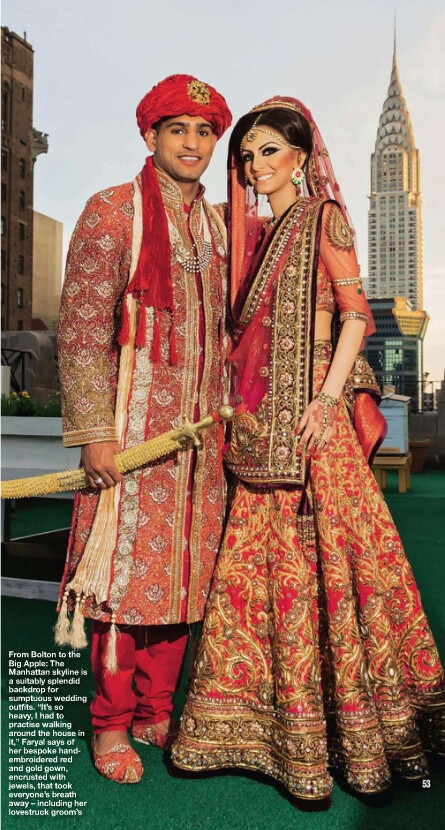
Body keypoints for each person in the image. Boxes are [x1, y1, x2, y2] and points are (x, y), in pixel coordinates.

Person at [172, 97, 445, 802]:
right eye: (247, 155)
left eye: (268, 150)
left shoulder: (321, 218)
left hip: (310, 431)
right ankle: (258, 731)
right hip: (258, 433)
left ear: (300, 154)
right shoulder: (256, 238)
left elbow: (355, 315)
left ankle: (362, 737)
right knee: (260, 580)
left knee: (340, 570)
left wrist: (326, 401)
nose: (255, 166)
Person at [56, 74, 232, 784]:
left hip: (202, 444)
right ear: (151, 136)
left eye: (203, 132)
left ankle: (158, 708)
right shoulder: (112, 211)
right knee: (121, 586)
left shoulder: (222, 227)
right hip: (131, 440)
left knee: (183, 581)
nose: (191, 143)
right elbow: (78, 333)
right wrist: (95, 433)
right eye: (177, 129)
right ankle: (109, 724)